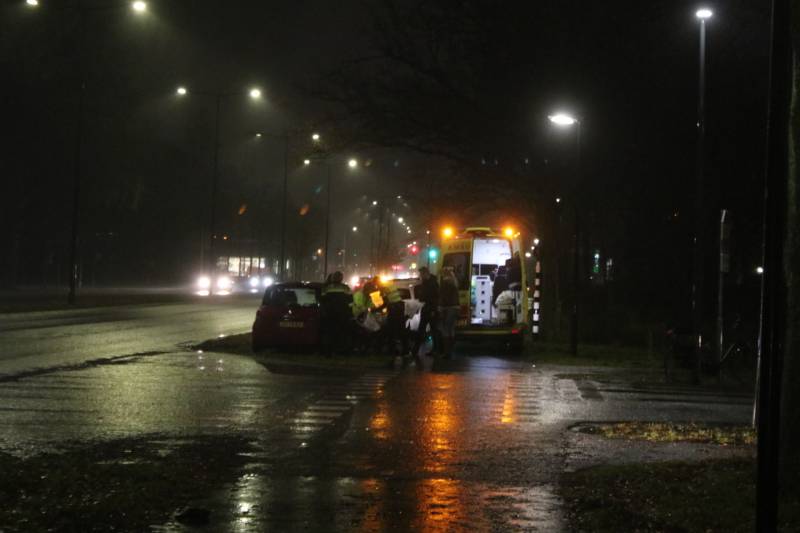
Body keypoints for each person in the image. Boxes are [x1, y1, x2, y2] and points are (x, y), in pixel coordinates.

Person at [320, 271, 353, 356]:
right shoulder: (345, 288)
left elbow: (322, 301)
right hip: (342, 315)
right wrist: (349, 312)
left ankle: (328, 352)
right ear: (341, 278)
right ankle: (341, 351)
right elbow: (350, 302)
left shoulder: (327, 288)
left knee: (330, 334)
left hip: (330, 315)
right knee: (342, 334)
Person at [412, 266, 440, 357]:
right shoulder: (427, 282)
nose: (420, 276)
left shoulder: (432, 283)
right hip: (426, 308)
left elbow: (435, 297)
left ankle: (435, 349)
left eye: (421, 274)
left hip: (431, 309)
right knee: (423, 329)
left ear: (425, 273)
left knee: (432, 330)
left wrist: (433, 310)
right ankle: (415, 350)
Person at [380, 277, 408, 356]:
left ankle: (392, 350)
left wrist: (377, 308)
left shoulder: (385, 288)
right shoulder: (390, 285)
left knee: (391, 331)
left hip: (394, 309)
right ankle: (405, 349)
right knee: (401, 330)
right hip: (399, 307)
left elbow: (384, 300)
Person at [438, 267, 460, 359]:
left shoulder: (445, 283)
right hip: (455, 308)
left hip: (448, 308)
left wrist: (440, 307)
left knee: (445, 330)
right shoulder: (454, 282)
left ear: (444, 274)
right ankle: (451, 351)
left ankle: (447, 353)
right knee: (451, 330)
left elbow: (443, 297)